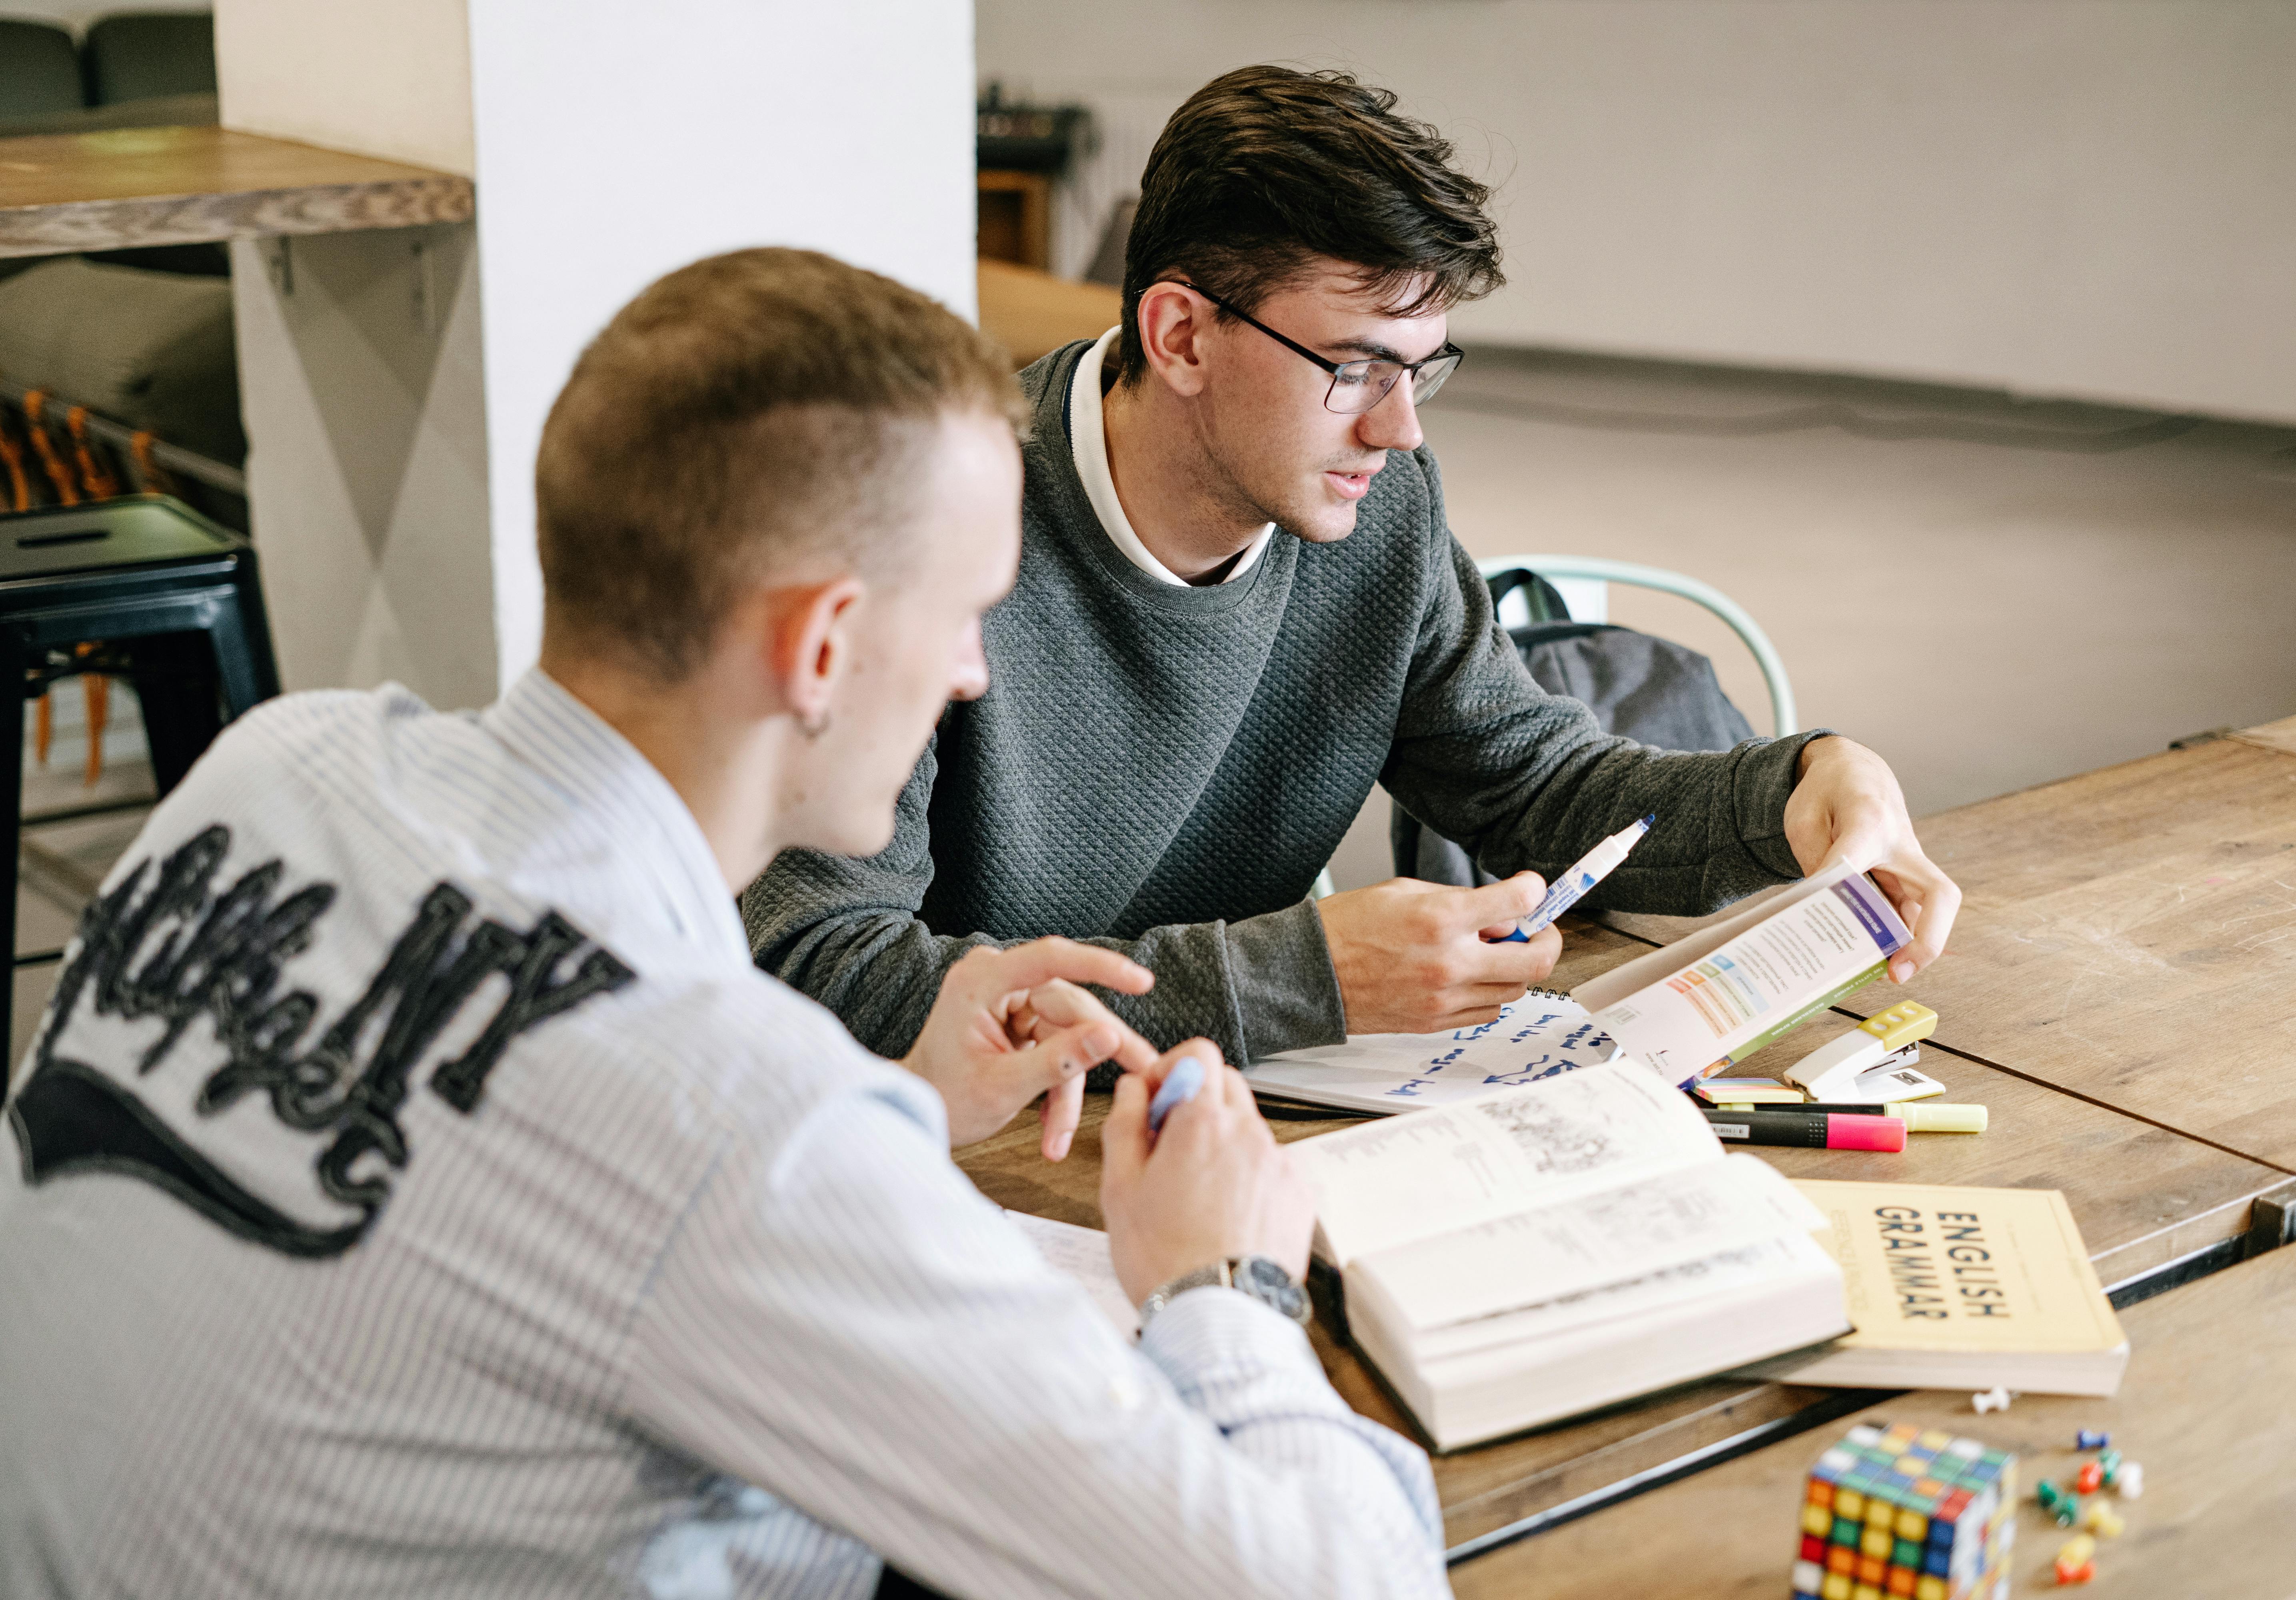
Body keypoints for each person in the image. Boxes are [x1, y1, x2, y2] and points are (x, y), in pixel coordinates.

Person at [0, 249, 1447, 1599]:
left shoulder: (275, 767)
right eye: (966, 614)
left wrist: (901, 1103)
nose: (968, 674)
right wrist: (1225, 1280)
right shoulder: (741, 1130)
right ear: (822, 648)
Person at [746, 65, 1961, 1074]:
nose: (1400, 429)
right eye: (1355, 368)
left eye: (1422, 369)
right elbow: (820, 967)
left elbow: (1535, 784)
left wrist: (1800, 790)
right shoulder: (930, 526)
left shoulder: (1375, 514)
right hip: (966, 1157)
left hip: (1227, 1125)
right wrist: (1305, 977)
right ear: (1180, 335)